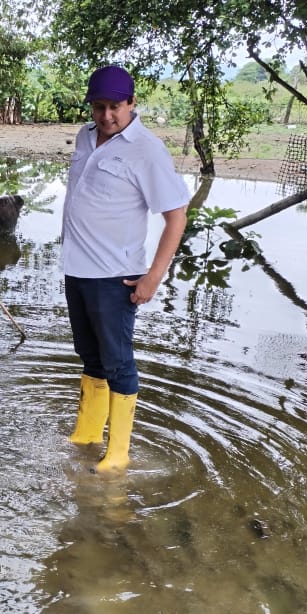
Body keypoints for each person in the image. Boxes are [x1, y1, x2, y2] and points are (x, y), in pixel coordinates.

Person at [62, 65, 188, 472]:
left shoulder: (147, 150)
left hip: (115, 276)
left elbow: (176, 217)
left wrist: (154, 276)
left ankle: (118, 454)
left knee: (118, 362)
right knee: (90, 356)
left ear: (132, 103)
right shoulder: (85, 136)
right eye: (98, 107)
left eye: (115, 107)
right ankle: (86, 434)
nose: (106, 116)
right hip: (77, 269)